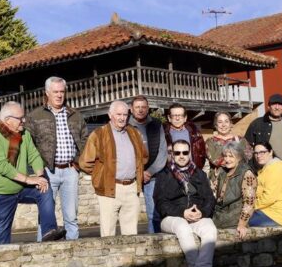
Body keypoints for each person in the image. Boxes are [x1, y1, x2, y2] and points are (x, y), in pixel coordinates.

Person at [0, 101, 66, 244]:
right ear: (7, 120)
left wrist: (39, 177)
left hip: (19, 187)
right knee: (2, 237)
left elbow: (34, 155)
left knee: (44, 189)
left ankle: (49, 232)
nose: (24, 121)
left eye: (24, 117)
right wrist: (29, 180)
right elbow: (3, 166)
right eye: (20, 118)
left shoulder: (24, 134)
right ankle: (1, 264)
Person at [25, 77, 89, 240]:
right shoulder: (35, 116)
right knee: (45, 217)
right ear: (47, 93)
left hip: (70, 170)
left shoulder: (75, 115)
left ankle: (73, 252)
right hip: (47, 172)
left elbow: (84, 140)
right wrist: (38, 169)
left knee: (71, 217)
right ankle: (42, 252)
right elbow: (28, 145)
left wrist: (77, 163)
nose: (59, 95)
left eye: (62, 91)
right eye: (55, 92)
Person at [154, 140, 217, 267]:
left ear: (189, 153)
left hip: (196, 215)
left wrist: (201, 212)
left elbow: (209, 198)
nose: (181, 156)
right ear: (172, 155)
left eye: (184, 152)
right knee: (182, 226)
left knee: (210, 228)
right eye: (177, 153)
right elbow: (161, 203)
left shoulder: (199, 173)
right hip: (172, 217)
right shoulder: (164, 175)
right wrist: (183, 212)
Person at [79, 100, 147, 237]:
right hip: (110, 188)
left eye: (125, 114)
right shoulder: (98, 134)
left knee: (131, 234)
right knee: (108, 233)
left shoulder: (134, 133)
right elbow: (85, 162)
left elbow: (143, 156)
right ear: (110, 115)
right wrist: (103, 174)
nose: (122, 118)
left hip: (131, 187)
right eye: (118, 114)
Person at [128, 96, 168, 233]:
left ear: (148, 108)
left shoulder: (156, 124)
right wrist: (138, 172)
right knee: (129, 216)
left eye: (143, 107)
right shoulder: (125, 125)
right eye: (137, 107)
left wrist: (149, 172)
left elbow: (163, 151)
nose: (140, 110)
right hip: (131, 176)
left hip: (152, 175)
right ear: (131, 109)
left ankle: (154, 244)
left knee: (153, 215)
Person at [244, 93, 282, 176]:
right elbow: (246, 147)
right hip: (265, 168)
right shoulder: (257, 124)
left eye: (280, 104)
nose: (277, 107)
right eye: (274, 104)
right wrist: (251, 167)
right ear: (268, 106)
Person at [209, 141, 257, 238]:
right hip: (218, 217)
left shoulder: (246, 173)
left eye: (231, 156)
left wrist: (242, 224)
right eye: (225, 156)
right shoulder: (222, 171)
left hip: (234, 220)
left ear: (239, 157)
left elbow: (249, 202)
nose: (227, 159)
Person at [250, 142, 282, 227]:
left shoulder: (275, 169)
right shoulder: (265, 169)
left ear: (271, 152)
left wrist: (250, 207)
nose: (258, 156)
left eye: (262, 152)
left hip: (278, 215)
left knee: (240, 222)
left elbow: (269, 198)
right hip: (266, 210)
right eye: (256, 153)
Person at [163, 103, 207, 170]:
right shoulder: (163, 133)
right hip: (171, 172)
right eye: (174, 115)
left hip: (192, 171)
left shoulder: (195, 132)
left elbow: (201, 153)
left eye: (180, 115)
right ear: (169, 118)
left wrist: (198, 170)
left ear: (185, 118)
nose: (177, 118)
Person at [206, 111, 249, 177]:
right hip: (219, 176)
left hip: (238, 176)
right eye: (220, 122)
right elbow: (215, 160)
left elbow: (248, 156)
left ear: (230, 124)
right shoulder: (210, 141)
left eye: (226, 121)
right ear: (216, 125)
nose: (223, 125)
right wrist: (235, 160)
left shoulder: (240, 140)